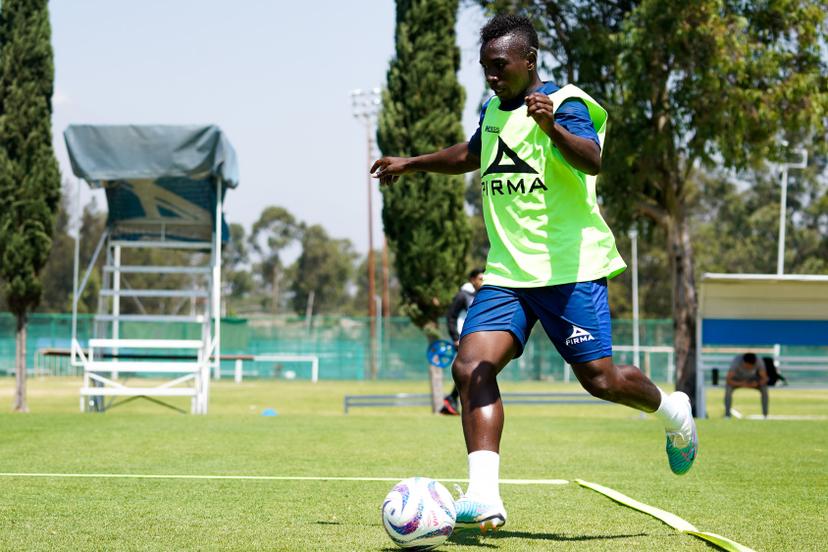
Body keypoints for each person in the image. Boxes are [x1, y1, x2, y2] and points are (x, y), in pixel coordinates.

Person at [371, 14, 697, 532]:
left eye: (499, 66)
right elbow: (474, 154)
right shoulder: (493, 110)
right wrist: (411, 164)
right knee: (470, 367)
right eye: (485, 68)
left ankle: (673, 412)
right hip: (507, 274)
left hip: (571, 270)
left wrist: (551, 127)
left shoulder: (566, 102)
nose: (491, 77)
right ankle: (483, 496)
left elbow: (591, 160)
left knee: (601, 380)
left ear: (529, 60)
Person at [441, 268, 485, 416]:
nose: (482, 281)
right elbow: (450, 317)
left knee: (475, 370)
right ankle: (454, 399)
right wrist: (455, 337)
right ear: (472, 279)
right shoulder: (462, 296)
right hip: (462, 339)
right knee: (468, 370)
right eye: (480, 278)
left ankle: (452, 400)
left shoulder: (482, 295)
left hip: (476, 339)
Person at [725, 353, 769, 418]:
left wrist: (757, 383)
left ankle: (765, 415)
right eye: (747, 367)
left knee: (764, 389)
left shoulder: (759, 362)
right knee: (728, 389)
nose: (749, 369)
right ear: (744, 363)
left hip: (753, 380)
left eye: (751, 367)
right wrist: (742, 383)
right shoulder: (737, 362)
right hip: (738, 380)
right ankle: (727, 415)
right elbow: (728, 380)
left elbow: (765, 378)